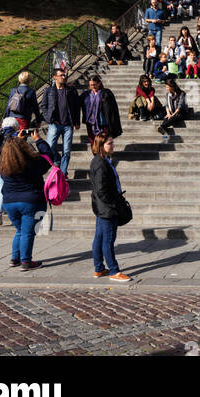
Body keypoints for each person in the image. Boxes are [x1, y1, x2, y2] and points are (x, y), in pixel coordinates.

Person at [0, 127, 54, 271]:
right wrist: (38, 140)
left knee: (20, 230)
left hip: (10, 202)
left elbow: (11, 150)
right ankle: (26, 262)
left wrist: (17, 140)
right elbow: (48, 157)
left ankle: (15, 258)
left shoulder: (4, 165)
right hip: (31, 201)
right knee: (28, 233)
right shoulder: (32, 163)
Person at [89, 133, 131, 282]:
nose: (113, 146)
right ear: (101, 146)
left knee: (99, 238)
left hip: (103, 207)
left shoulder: (102, 161)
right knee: (108, 239)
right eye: (110, 143)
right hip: (107, 208)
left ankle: (99, 268)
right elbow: (101, 190)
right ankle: (114, 271)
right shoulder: (100, 164)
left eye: (112, 143)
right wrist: (113, 204)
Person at [40, 68, 81, 175]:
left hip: (68, 125)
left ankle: (63, 173)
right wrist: (48, 118)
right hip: (54, 124)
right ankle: (57, 160)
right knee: (50, 146)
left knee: (66, 151)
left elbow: (77, 107)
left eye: (64, 75)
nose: (64, 77)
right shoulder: (49, 90)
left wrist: (77, 122)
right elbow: (44, 106)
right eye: (61, 75)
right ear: (55, 77)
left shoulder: (71, 90)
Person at [79, 75, 122, 143]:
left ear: (99, 83)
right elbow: (77, 103)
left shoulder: (106, 93)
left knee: (104, 142)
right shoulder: (86, 95)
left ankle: (104, 153)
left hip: (103, 122)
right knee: (93, 142)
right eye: (91, 85)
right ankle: (96, 154)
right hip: (90, 123)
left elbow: (113, 109)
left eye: (94, 84)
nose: (93, 87)